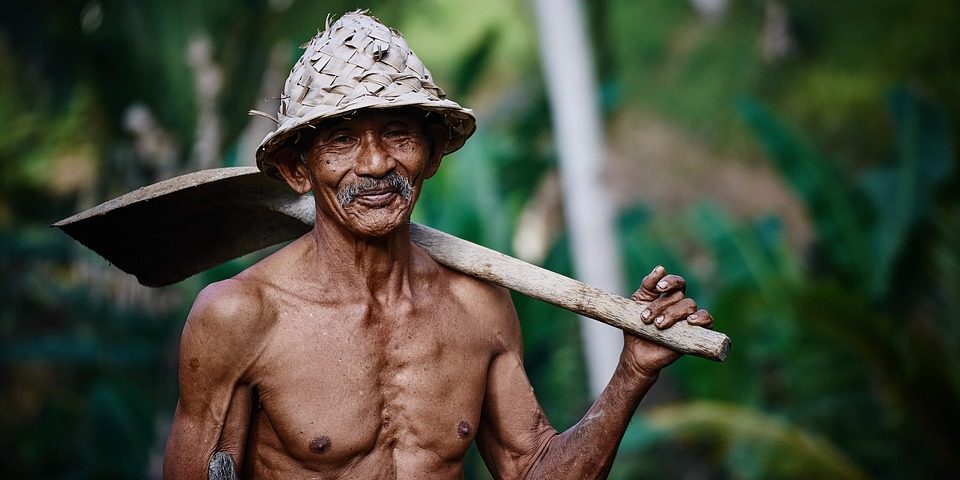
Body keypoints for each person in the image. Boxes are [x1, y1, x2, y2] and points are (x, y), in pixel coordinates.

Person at [163, 11, 713, 480]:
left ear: (431, 155)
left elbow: (534, 468)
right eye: (343, 140)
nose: (376, 164)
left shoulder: (477, 308)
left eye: (398, 134)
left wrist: (632, 373)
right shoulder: (241, 317)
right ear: (296, 169)